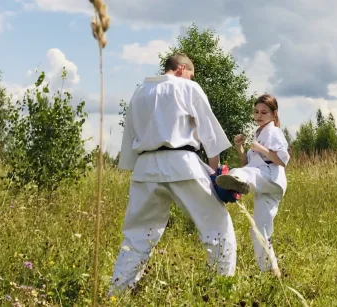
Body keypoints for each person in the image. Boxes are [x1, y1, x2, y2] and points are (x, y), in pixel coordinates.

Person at [110, 53, 237, 295]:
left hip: (145, 166)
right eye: (190, 73)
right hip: (182, 162)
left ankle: (116, 295)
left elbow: (130, 134)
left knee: (138, 237)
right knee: (217, 227)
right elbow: (209, 135)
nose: (191, 78)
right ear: (181, 69)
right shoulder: (187, 86)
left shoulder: (140, 92)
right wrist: (216, 174)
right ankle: (221, 291)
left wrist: (132, 167)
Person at [215, 93, 290, 274]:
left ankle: (233, 185)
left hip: (270, 177)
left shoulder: (274, 131)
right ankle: (271, 272)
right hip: (264, 184)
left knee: (239, 174)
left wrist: (260, 148)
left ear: (274, 114)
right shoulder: (258, 133)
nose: (259, 116)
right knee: (259, 230)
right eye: (256, 112)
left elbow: (282, 159)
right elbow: (248, 165)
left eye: (264, 112)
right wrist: (240, 148)